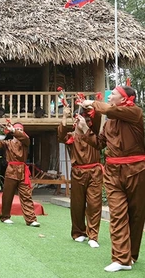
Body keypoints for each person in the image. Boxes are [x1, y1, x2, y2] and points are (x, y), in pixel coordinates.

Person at [78, 86, 145, 272]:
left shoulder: (135, 112)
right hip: (113, 171)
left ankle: (131, 254)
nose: (110, 96)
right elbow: (99, 144)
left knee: (137, 215)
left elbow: (109, 109)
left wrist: (91, 102)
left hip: (136, 170)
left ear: (124, 99)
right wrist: (85, 130)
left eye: (113, 94)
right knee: (117, 214)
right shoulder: (108, 123)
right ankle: (121, 258)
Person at [58, 106, 102, 248]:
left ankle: (93, 236)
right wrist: (64, 116)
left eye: (85, 121)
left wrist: (88, 106)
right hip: (77, 172)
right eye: (77, 121)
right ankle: (78, 233)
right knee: (77, 204)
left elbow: (97, 117)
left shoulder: (92, 134)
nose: (80, 123)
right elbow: (60, 136)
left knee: (94, 204)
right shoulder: (71, 137)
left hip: (94, 172)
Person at [0, 121, 40, 227]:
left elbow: (25, 138)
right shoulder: (7, 143)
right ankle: (5, 217)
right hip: (11, 170)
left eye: (21, 130)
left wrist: (13, 130)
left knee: (26, 195)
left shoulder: (25, 142)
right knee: (7, 195)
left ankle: (31, 219)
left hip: (23, 170)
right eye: (18, 129)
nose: (19, 131)